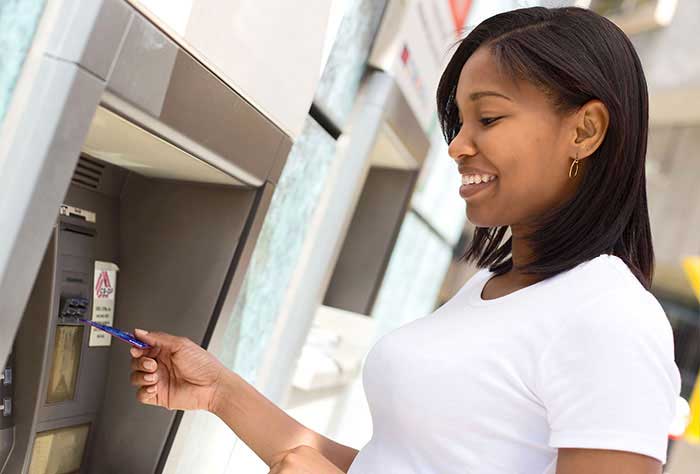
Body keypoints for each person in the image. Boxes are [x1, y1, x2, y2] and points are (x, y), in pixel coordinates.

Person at [129, 6, 682, 474]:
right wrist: (220, 391)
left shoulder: (612, 318)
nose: (458, 146)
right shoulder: (493, 287)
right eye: (459, 123)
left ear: (584, 131)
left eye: (488, 117)